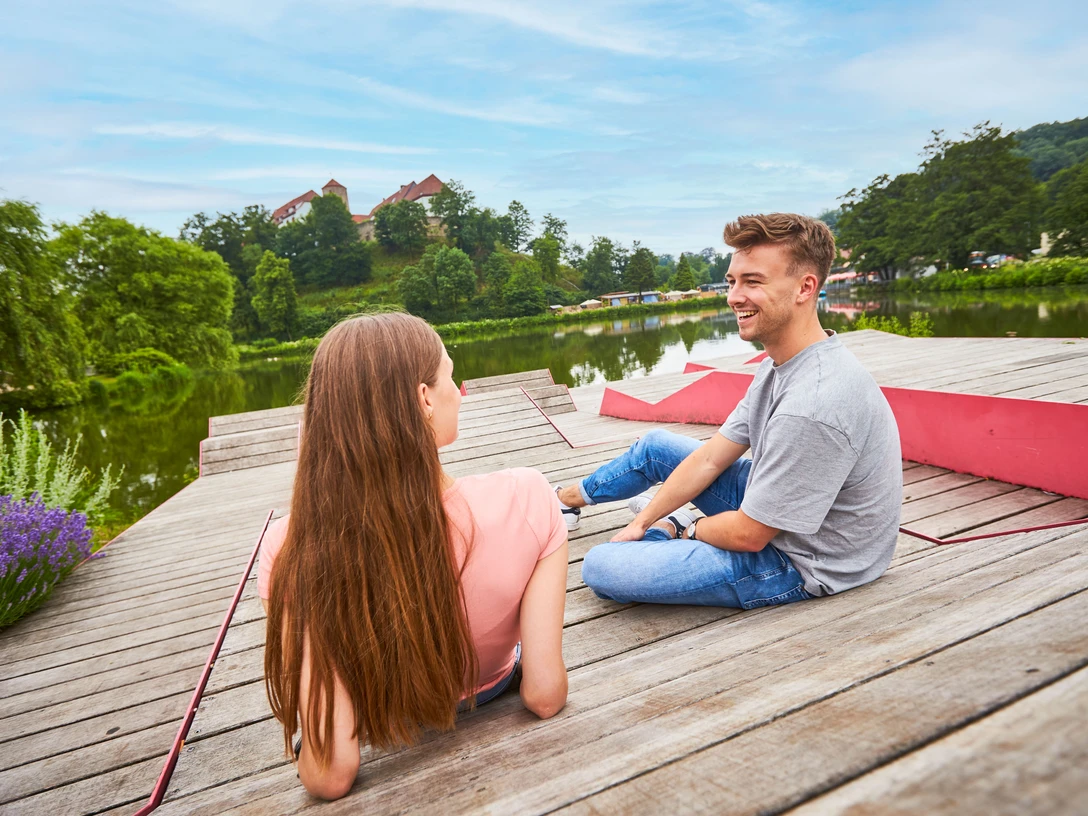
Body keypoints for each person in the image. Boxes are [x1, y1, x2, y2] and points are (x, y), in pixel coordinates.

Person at [261, 313, 569, 801]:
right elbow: (545, 695)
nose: (458, 393)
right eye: (451, 375)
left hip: (386, 713)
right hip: (489, 688)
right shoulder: (527, 497)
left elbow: (328, 775)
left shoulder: (290, 548)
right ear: (424, 398)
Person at [556, 213, 902, 609]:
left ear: (805, 288)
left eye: (753, 281)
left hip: (804, 560)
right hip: (779, 513)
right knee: (656, 447)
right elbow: (709, 458)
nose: (734, 296)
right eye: (732, 281)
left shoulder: (814, 403)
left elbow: (748, 536)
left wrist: (689, 530)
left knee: (602, 567)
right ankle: (570, 501)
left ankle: (676, 529)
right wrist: (641, 522)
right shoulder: (779, 363)